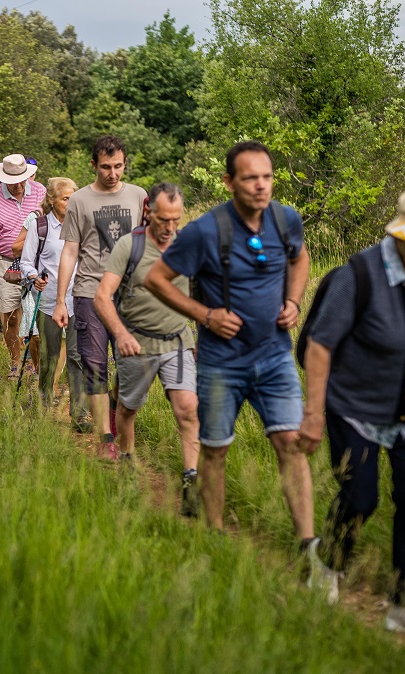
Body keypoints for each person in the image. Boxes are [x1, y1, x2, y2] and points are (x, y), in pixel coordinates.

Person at [298, 185, 405, 635]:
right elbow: (318, 346)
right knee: (361, 497)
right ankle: (328, 564)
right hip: (353, 408)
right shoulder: (359, 276)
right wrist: (313, 415)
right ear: (400, 235)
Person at [143, 141, 319, 569]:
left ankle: (308, 549)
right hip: (222, 362)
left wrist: (294, 302)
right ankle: (215, 537)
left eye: (267, 177)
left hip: (275, 356)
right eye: (249, 178)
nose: (261, 186)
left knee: (290, 443)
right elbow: (157, 278)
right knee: (216, 447)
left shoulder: (285, 219)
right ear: (229, 181)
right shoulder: (206, 230)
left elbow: (301, 258)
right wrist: (205, 315)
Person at [94, 182, 200, 514]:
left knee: (188, 410)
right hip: (136, 343)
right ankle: (126, 458)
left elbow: (200, 295)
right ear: (148, 211)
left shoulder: (188, 246)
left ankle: (191, 485)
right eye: (163, 219)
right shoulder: (130, 246)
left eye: (176, 219)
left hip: (177, 340)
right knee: (128, 410)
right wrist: (120, 334)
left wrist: (200, 334)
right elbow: (102, 297)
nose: (170, 227)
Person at [54, 135, 148, 459]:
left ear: (125, 164)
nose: (112, 173)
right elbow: (69, 251)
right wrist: (59, 300)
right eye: (105, 167)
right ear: (93, 165)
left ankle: (114, 415)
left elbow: (150, 244)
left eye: (118, 166)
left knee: (131, 365)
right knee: (94, 365)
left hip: (129, 295)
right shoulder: (79, 200)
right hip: (88, 292)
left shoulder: (139, 196)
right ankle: (106, 438)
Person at [18, 177, 89, 430]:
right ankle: (44, 404)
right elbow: (27, 261)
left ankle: (80, 413)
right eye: (65, 198)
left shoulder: (82, 225)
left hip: (77, 301)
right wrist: (34, 277)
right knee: (48, 356)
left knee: (77, 356)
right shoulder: (40, 227)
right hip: (48, 301)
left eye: (73, 198)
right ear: (52, 200)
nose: (70, 204)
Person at [0, 154, 47, 378]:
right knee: (10, 316)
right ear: (4, 179)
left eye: (22, 179)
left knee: (35, 318)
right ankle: (15, 364)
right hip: (6, 263)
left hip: (36, 265)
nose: (19, 184)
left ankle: (40, 370)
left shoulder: (39, 191)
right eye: (13, 180)